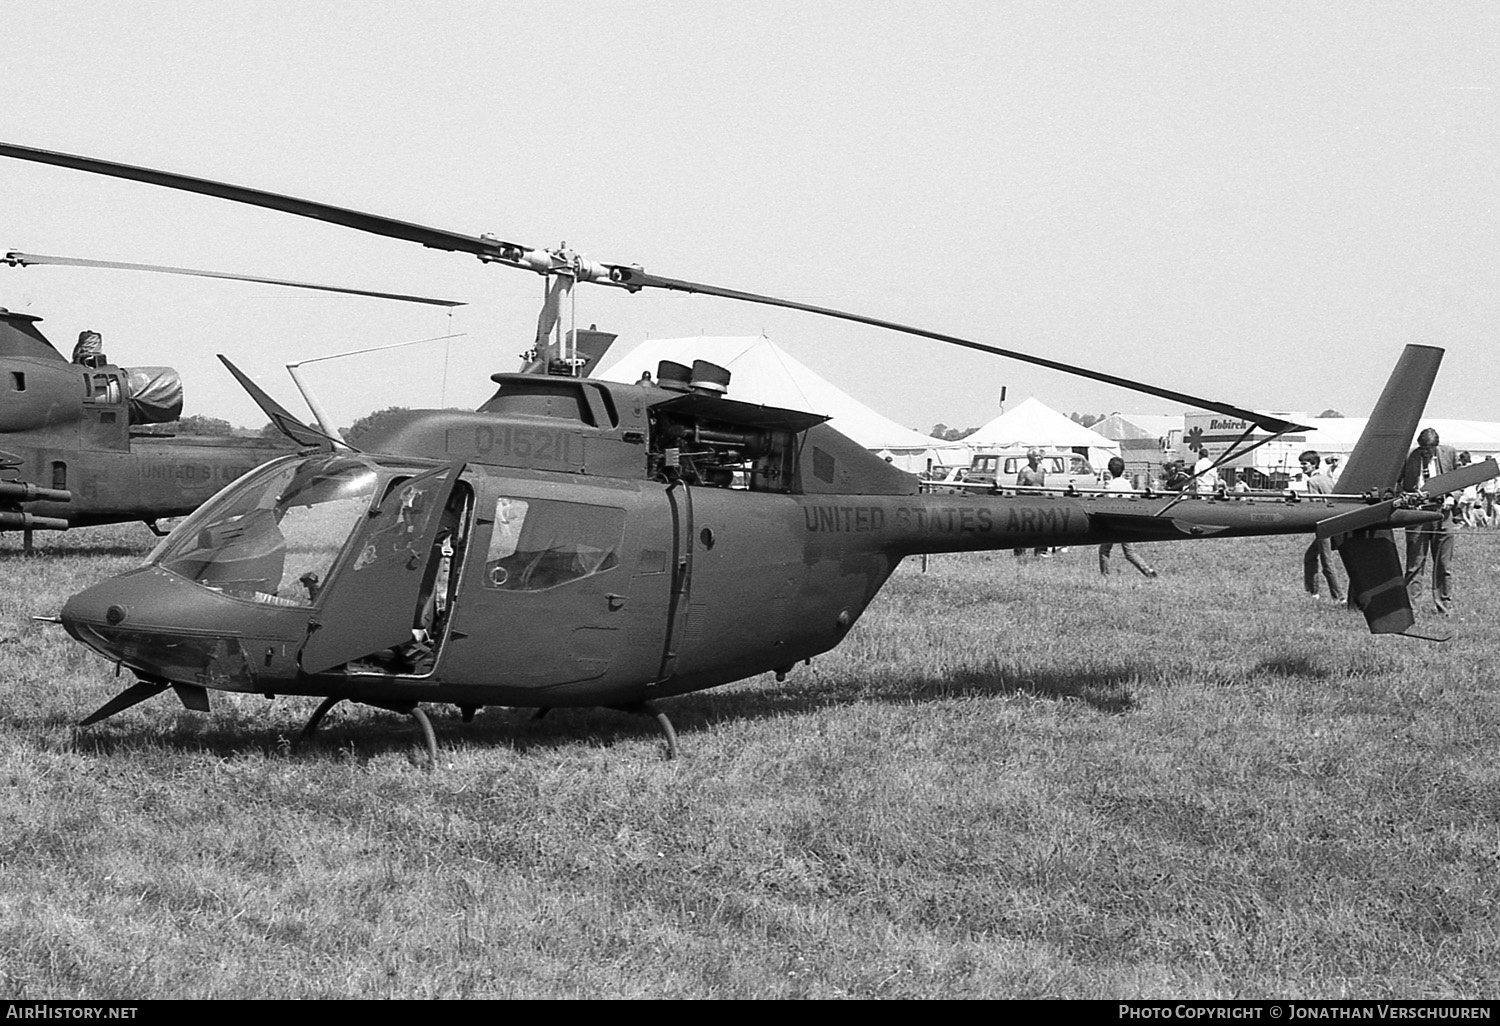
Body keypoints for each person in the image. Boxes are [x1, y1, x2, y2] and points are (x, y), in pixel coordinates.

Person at [1401, 427, 1459, 615]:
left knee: (1444, 565)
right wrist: (1406, 498)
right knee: (1415, 563)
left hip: (1443, 512)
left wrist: (1452, 496)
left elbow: (1460, 480)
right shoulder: (1408, 456)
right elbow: (1397, 482)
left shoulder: (1449, 453)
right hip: (1417, 514)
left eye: (1428, 449)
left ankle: (1444, 606)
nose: (1425, 452)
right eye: (1422, 448)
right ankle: (1411, 606)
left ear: (1436, 446)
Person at [1098, 456, 1157, 578]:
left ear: (1110, 470)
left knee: (1104, 551)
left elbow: (1106, 501)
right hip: (1126, 519)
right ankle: (1148, 571)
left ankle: (1106, 576)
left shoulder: (1110, 485)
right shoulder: (1127, 484)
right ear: (1123, 470)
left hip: (1113, 522)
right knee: (1130, 552)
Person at [1299, 450, 1344, 604]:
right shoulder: (1328, 479)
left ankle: (1337, 596)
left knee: (1326, 562)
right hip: (1338, 520)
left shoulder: (1312, 482)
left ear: (1313, 464)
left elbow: (1316, 506)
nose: (1302, 467)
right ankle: (1314, 592)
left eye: (1304, 464)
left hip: (1325, 524)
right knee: (1311, 556)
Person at [1013, 449, 1048, 557]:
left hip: (1040, 503)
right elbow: (1018, 490)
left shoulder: (1041, 470)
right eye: (1036, 456)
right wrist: (1034, 491)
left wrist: (1043, 493)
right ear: (1030, 458)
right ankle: (1020, 552)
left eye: (1040, 456)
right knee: (1024, 529)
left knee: (1042, 527)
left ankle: (1041, 552)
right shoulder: (1024, 471)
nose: (1039, 458)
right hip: (1026, 503)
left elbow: (1042, 486)